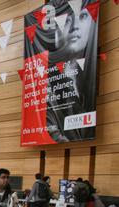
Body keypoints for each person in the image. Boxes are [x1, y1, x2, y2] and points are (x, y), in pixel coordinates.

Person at [46, 0, 98, 143]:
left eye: (82, 17)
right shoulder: (44, 86)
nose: (75, 27)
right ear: (54, 33)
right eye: (66, 21)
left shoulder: (91, 80)